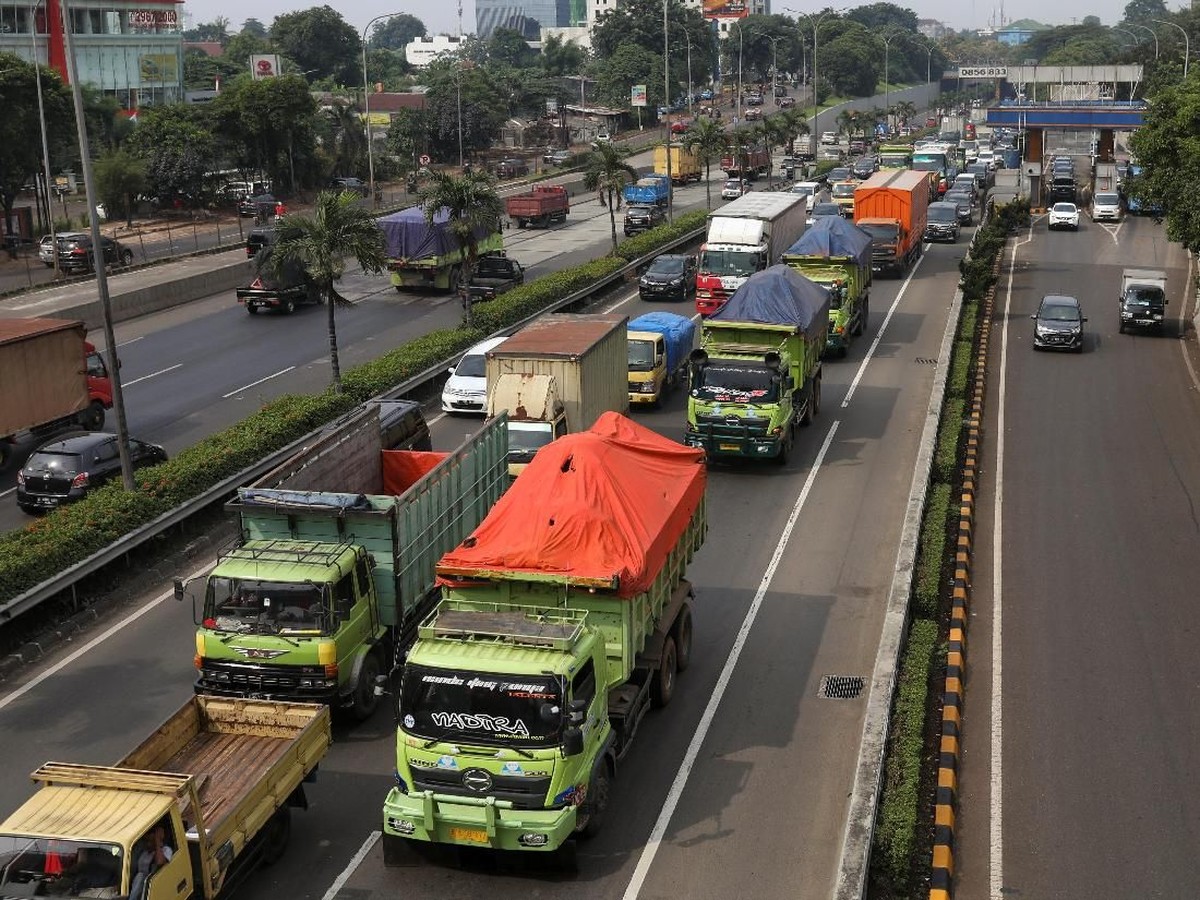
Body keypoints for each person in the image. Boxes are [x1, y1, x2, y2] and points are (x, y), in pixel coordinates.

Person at [128, 824, 173, 900]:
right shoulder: (144, 852)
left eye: (151, 841)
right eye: (147, 841)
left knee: (140, 877)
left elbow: (159, 862)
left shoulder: (166, 850)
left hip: (152, 884)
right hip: (138, 883)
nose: (148, 844)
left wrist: (157, 841)